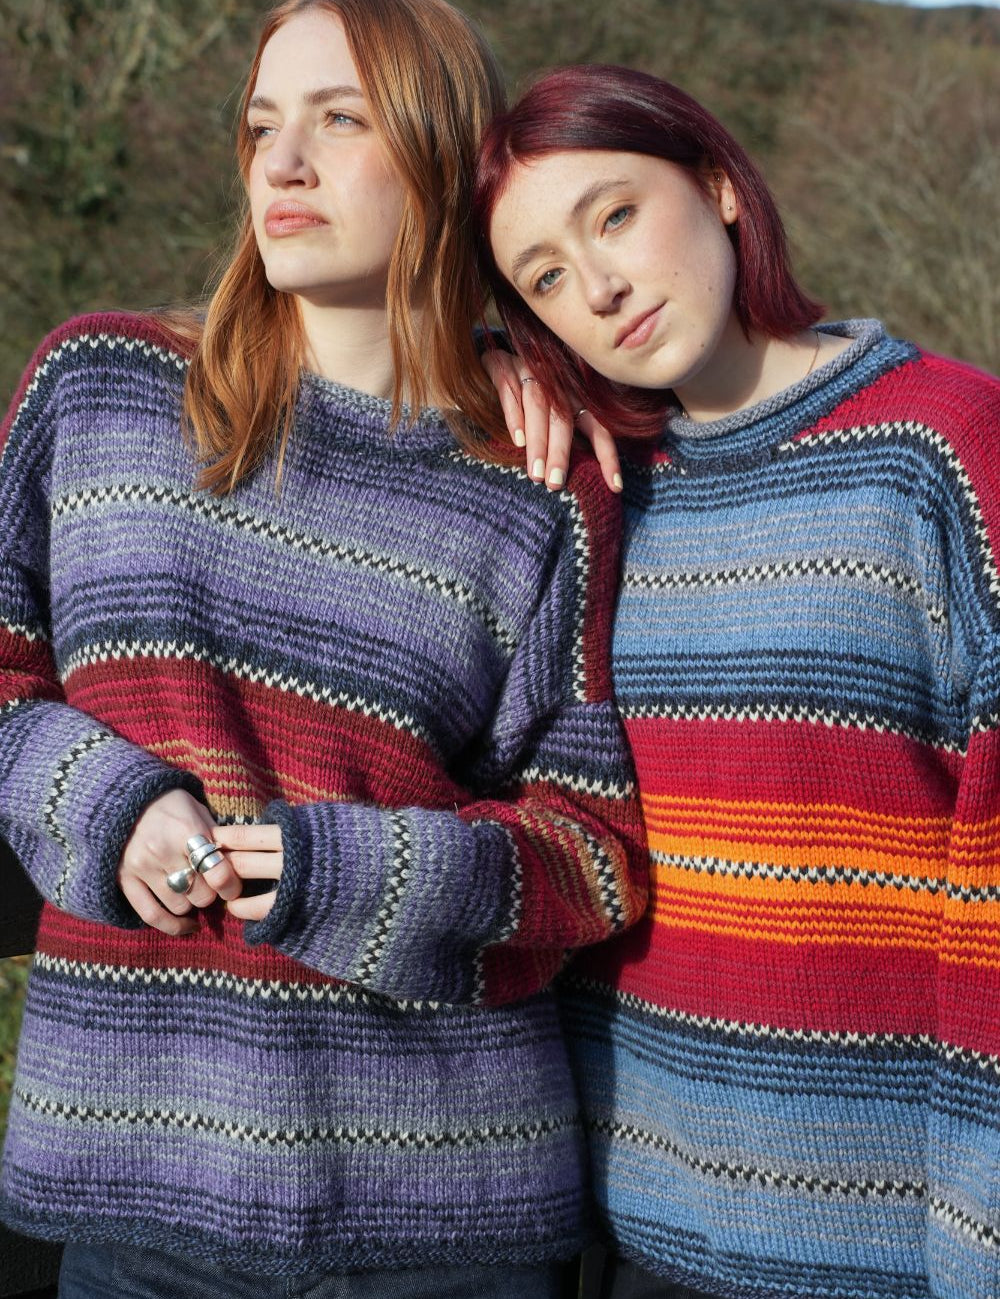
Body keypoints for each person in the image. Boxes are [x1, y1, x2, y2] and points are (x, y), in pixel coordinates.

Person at [0, 10, 649, 1295]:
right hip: (139, 1197)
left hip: (446, 1222)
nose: (282, 163)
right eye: (261, 125)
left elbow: (590, 853)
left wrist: (348, 869)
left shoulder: (539, 484)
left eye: (340, 119)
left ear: (445, 157)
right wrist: (102, 800)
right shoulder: (100, 386)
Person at [473, 62, 1000, 1299]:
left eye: (614, 215)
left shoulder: (943, 449)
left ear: (715, 182)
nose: (599, 286)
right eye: (543, 279)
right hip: (632, 1238)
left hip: (887, 1252)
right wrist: (477, 357)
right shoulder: (595, 493)